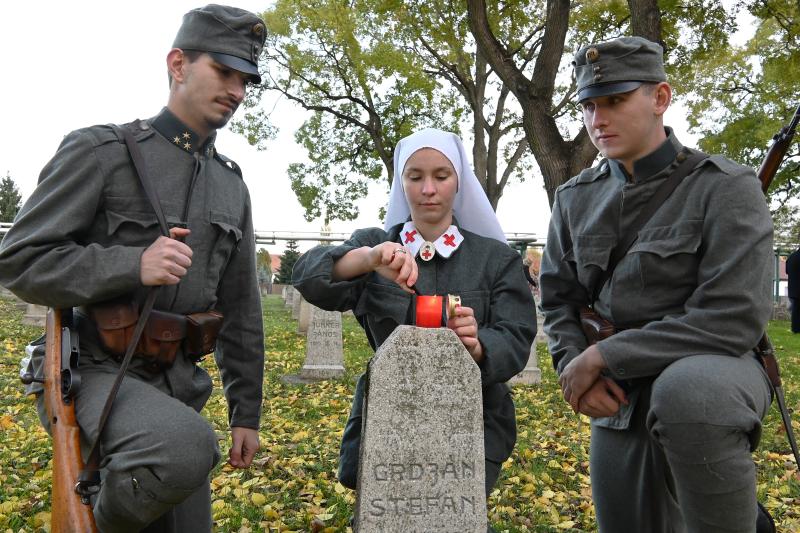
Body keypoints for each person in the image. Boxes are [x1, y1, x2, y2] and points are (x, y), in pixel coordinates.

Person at [0, 5, 266, 531]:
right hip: (96, 371)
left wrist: (247, 413)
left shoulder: (231, 186)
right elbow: (20, 259)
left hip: (179, 386)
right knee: (187, 446)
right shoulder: (103, 153)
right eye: (224, 71)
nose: (237, 90)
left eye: (246, 79)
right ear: (178, 63)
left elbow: (240, 307)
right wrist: (131, 264)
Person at [539, 36, 775, 532]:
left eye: (616, 101)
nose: (598, 119)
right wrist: (572, 366)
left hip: (712, 371)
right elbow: (560, 299)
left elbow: (731, 318)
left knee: (687, 394)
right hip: (621, 394)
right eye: (588, 105)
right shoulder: (574, 199)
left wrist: (603, 355)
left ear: (661, 98)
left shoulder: (725, 186)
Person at [292, 128, 536, 502]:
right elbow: (309, 277)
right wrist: (369, 260)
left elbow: (516, 335)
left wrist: (478, 347)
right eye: (415, 177)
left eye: (441, 176)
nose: (428, 189)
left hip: (474, 422)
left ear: (459, 182)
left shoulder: (496, 259)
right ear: (400, 183)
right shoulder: (376, 245)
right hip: (387, 420)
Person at [786, 248, 800, 332]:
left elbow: (787, 271)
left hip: (793, 288)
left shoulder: (791, 257)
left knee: (796, 309)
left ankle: (795, 328)